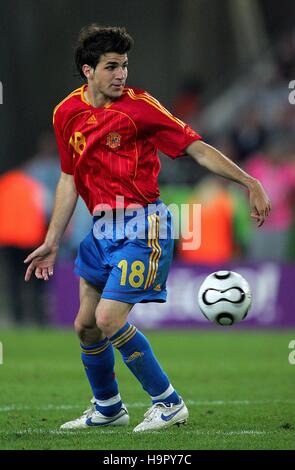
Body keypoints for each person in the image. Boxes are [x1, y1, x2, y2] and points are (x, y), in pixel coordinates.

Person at [24, 24, 271, 432]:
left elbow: (197, 149)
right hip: (100, 230)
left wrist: (250, 181)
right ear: (88, 71)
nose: (121, 74)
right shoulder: (66, 113)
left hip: (144, 224)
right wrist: (52, 241)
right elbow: (68, 179)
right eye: (111, 67)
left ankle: (168, 403)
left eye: (124, 65)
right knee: (85, 326)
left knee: (108, 319)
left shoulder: (142, 107)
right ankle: (108, 408)